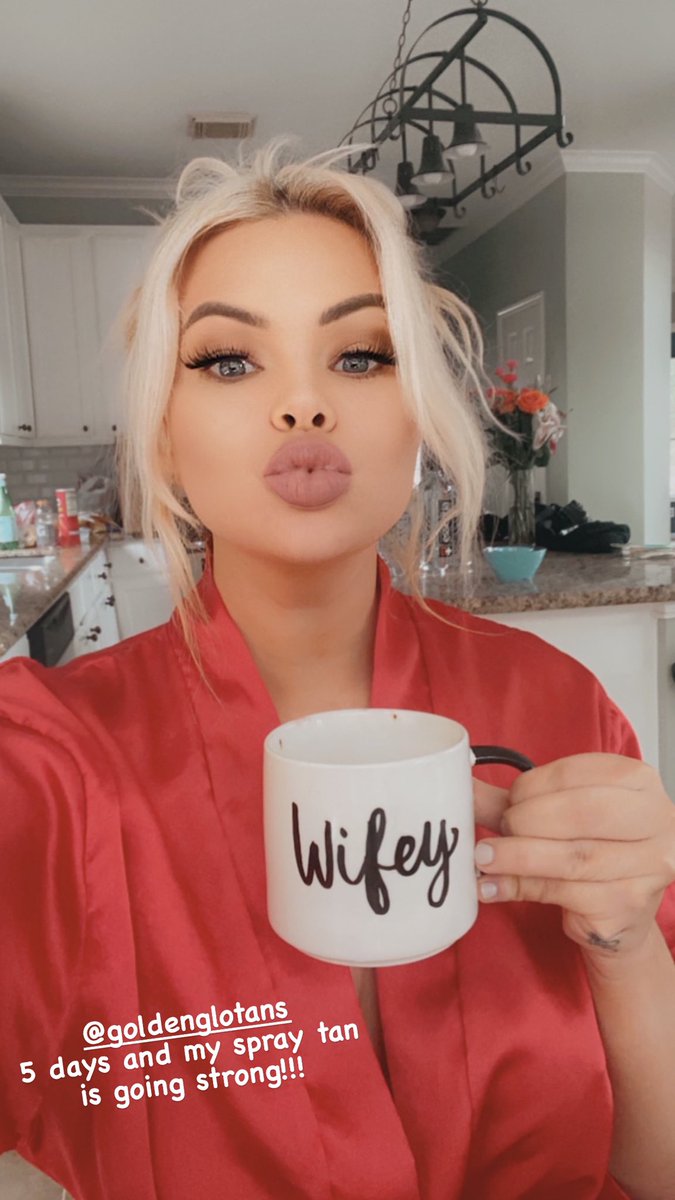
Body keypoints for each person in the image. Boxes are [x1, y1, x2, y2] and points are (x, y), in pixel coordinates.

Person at [1, 136, 674, 1200]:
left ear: (420, 413)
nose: (303, 405)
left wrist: (626, 942)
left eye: (360, 355)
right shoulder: (48, 761)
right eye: (229, 360)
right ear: (163, 435)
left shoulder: (560, 708)